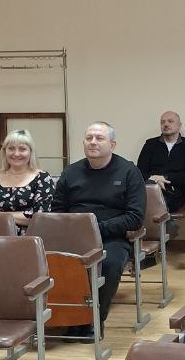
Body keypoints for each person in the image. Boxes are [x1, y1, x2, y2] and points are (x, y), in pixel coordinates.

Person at [51, 122, 146, 325]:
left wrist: (95, 230)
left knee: (109, 264)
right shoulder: (70, 172)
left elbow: (135, 217)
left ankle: (93, 320)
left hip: (112, 238)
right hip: (73, 237)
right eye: (89, 138)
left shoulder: (129, 172)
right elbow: (57, 211)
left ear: (112, 145)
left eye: (99, 138)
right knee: (55, 262)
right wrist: (75, 231)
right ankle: (67, 318)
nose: (93, 142)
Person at [0, 129, 54, 226]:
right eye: (11, 148)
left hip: (30, 234)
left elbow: (40, 217)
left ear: (30, 152)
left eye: (22, 149)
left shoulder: (43, 178)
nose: (16, 154)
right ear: (5, 151)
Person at [137, 111, 185, 213]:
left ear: (179, 125)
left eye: (170, 121)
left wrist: (165, 178)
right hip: (150, 186)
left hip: (175, 189)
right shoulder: (150, 144)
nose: (165, 124)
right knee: (143, 195)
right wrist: (154, 179)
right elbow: (139, 170)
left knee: (149, 203)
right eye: (162, 122)